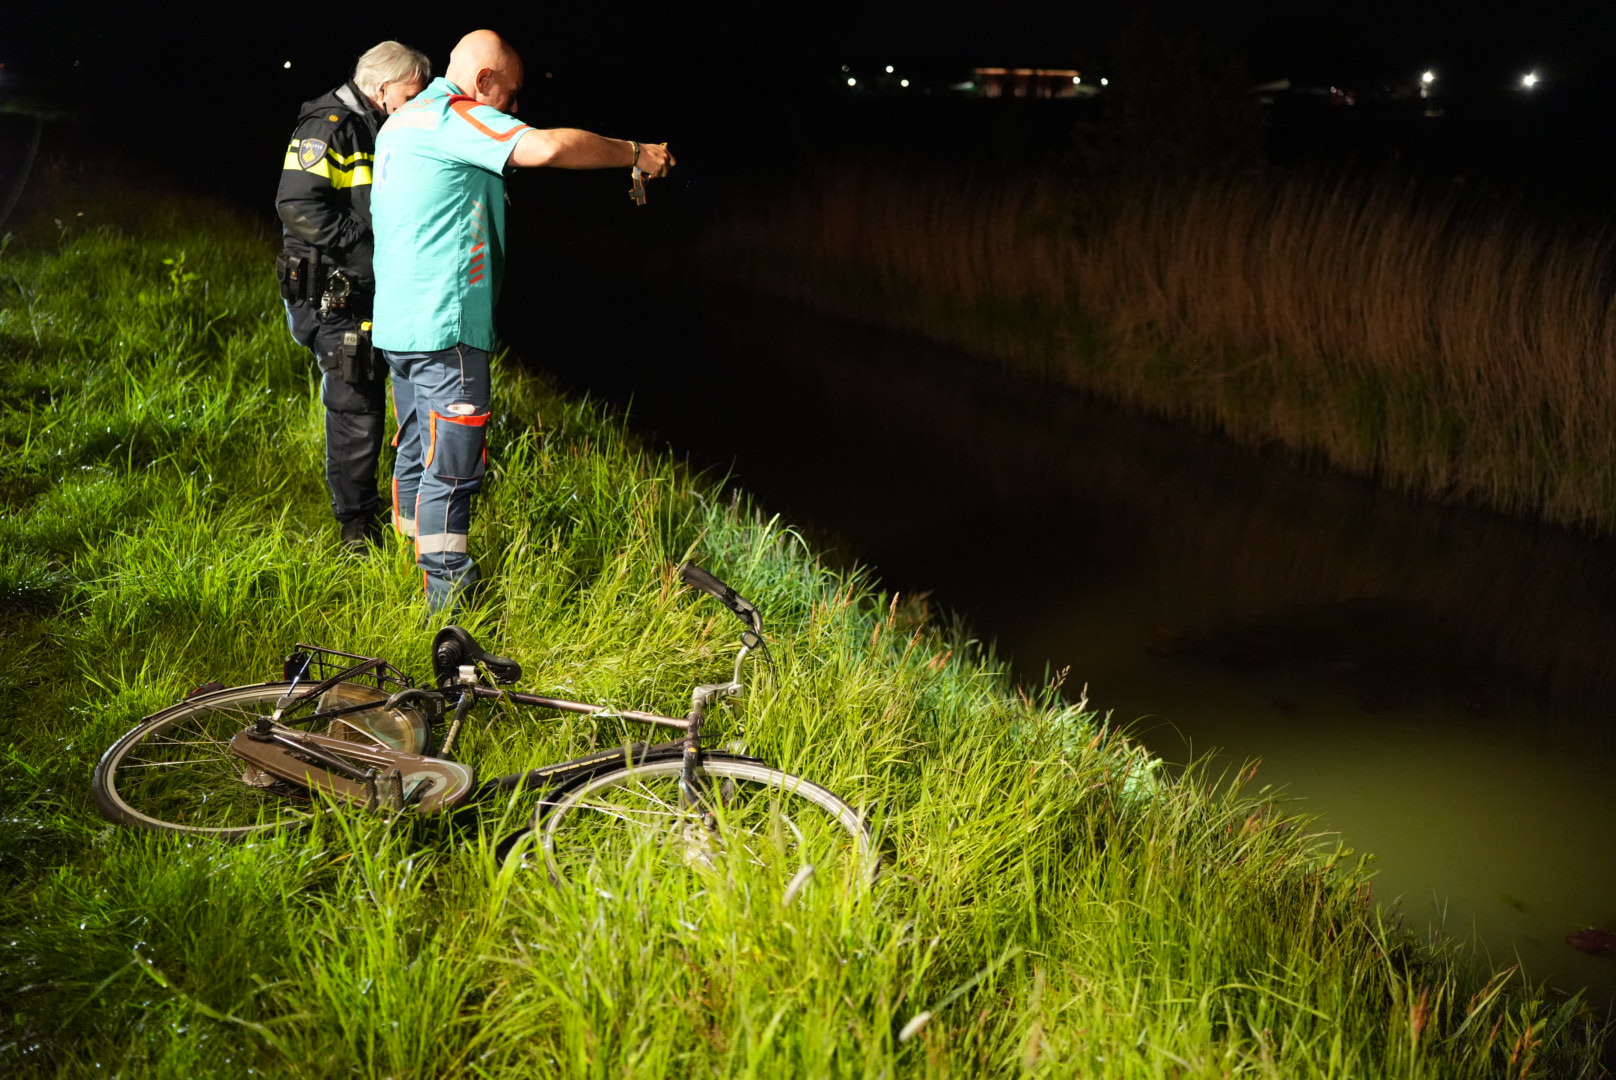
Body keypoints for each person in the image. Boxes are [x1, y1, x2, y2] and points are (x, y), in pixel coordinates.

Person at [371, 29, 673, 610]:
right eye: (509, 96)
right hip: (447, 327)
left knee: (416, 450)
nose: (514, 109)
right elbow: (550, 148)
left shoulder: (400, 124)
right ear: (483, 81)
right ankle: (449, 605)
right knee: (453, 468)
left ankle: (406, 575)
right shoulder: (451, 117)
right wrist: (634, 153)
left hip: (400, 324)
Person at [276, 41, 431, 553]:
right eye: (413, 91)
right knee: (356, 404)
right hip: (335, 290)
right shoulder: (330, 125)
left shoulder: (379, 123)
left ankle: (385, 510)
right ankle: (356, 530)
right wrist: (371, 251)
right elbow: (298, 206)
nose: (418, 100)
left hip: (367, 287)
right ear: (383, 87)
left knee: (373, 398)